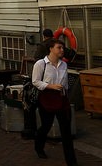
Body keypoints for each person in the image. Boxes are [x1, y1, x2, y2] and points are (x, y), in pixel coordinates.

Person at [33, 38, 78, 166]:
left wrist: (65, 95)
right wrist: (50, 86)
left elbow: (64, 83)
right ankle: (38, 146)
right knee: (46, 126)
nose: (62, 50)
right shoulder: (41, 64)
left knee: (66, 131)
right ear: (51, 49)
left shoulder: (64, 64)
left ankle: (71, 161)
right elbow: (35, 81)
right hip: (47, 98)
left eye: (63, 48)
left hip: (62, 99)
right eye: (59, 47)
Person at [22, 28, 55, 139]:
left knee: (37, 108)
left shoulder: (41, 47)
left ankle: (35, 132)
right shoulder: (58, 45)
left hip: (44, 85)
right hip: (53, 88)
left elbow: (36, 80)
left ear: (44, 36)